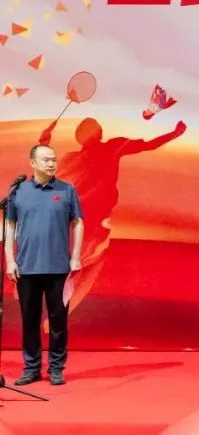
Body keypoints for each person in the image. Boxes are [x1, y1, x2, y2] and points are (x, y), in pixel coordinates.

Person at [38, 117, 186, 311]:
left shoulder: (71, 159)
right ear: (98, 133)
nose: (101, 128)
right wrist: (174, 133)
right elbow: (148, 145)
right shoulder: (113, 147)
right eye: (98, 127)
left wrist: (44, 142)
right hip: (93, 221)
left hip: (70, 219)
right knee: (90, 265)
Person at [4, 144, 84, 386]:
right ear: (32, 163)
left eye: (54, 159)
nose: (51, 163)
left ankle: (56, 368)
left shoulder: (67, 190)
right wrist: (10, 260)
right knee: (30, 320)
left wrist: (75, 256)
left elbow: (77, 222)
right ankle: (31, 368)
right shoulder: (18, 192)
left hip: (58, 268)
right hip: (26, 267)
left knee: (58, 321)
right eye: (46, 159)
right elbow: (10, 225)